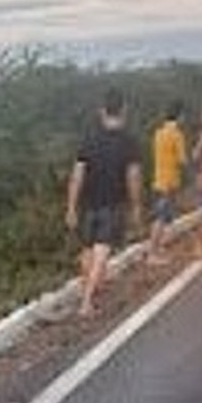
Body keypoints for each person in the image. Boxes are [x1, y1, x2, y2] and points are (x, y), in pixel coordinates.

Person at [65, 88, 143, 317]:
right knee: (102, 251)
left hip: (87, 204)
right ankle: (87, 302)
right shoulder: (129, 142)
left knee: (88, 249)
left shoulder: (88, 139)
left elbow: (77, 175)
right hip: (112, 205)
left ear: (102, 111)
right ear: (124, 110)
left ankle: (88, 288)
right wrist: (137, 206)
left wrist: (70, 207)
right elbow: (134, 177)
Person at [147, 101, 188, 263]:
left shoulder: (158, 133)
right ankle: (153, 254)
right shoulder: (177, 134)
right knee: (160, 218)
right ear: (180, 116)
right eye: (183, 115)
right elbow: (182, 161)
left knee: (161, 217)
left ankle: (158, 248)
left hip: (158, 180)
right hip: (169, 182)